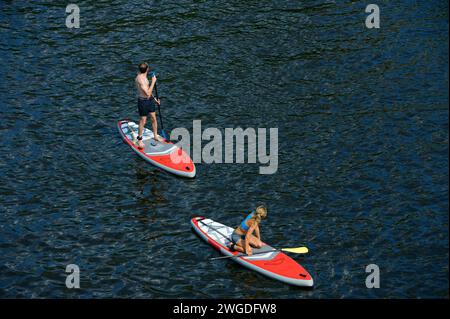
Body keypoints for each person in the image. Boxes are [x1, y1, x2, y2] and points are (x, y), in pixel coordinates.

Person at [135, 62, 162, 149]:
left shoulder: (143, 75)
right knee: (143, 120)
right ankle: (139, 140)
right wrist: (153, 82)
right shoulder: (140, 79)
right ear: (147, 69)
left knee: (154, 118)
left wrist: (155, 100)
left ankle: (155, 135)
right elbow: (147, 93)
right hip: (143, 101)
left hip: (149, 100)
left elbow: (149, 93)